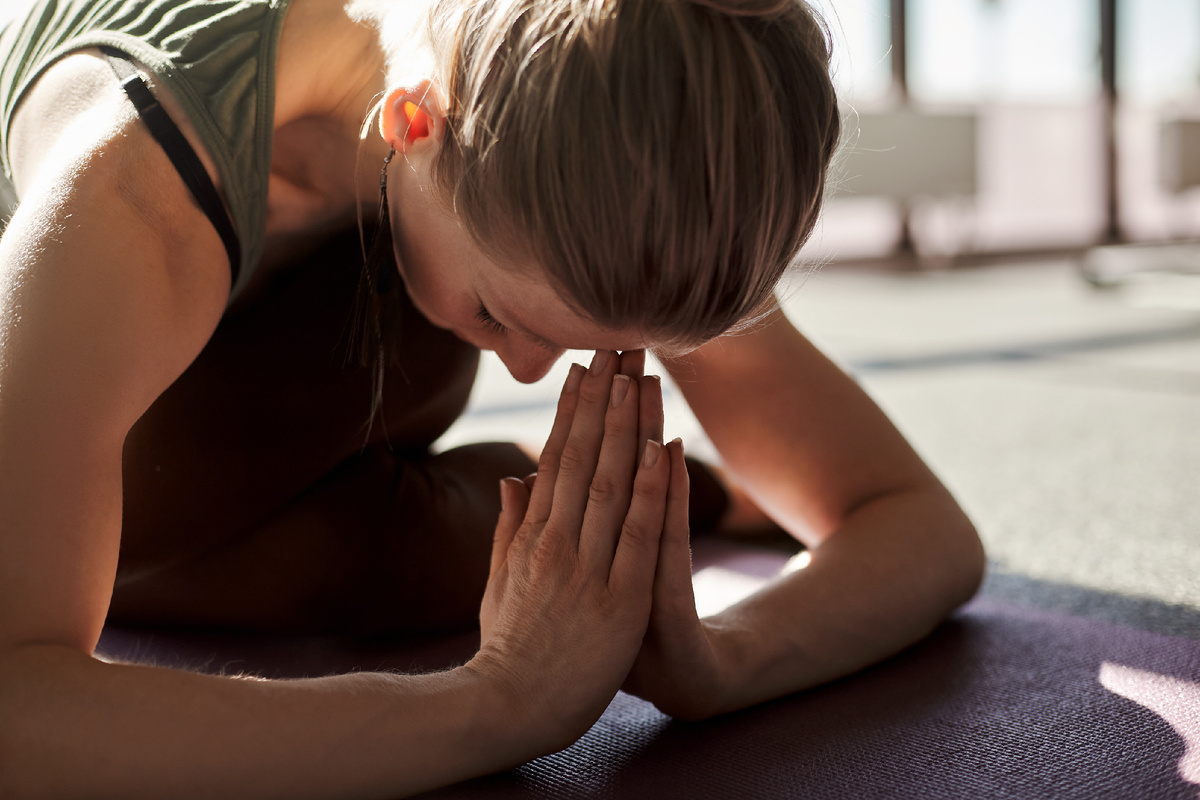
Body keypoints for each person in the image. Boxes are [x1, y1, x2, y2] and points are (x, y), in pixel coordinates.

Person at [0, 0, 985, 796]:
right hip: (110, 410)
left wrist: (723, 660)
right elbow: (18, 711)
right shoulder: (130, 189)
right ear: (412, 120)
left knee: (521, 554)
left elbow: (921, 529)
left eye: (584, 346)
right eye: (500, 313)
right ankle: (703, 495)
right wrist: (497, 703)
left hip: (317, 328)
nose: (526, 373)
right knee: (293, 504)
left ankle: (700, 493)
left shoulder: (596, 141)